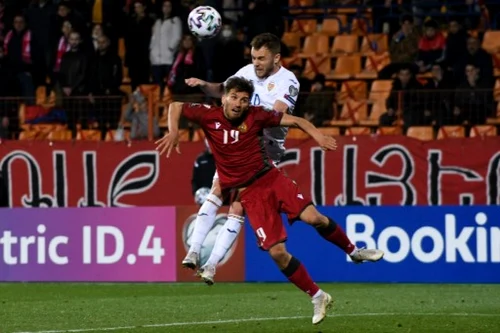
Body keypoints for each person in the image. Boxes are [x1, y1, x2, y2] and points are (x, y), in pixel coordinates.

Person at [156, 77, 384, 325]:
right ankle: (318, 296)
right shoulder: (208, 116)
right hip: (250, 195)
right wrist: (174, 132)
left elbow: (296, 120)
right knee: (277, 253)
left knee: (314, 217)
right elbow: (175, 105)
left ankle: (355, 251)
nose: (239, 104)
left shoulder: (256, 115)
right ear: (223, 98)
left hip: (271, 179)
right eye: (234, 97)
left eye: (244, 99)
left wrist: (318, 137)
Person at [180, 33, 301, 281]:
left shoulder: (288, 81)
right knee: (217, 188)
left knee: (238, 205)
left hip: (265, 151)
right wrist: (204, 84)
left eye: (261, 58)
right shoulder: (246, 71)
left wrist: (239, 112)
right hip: (238, 143)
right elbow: (225, 91)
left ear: (276, 58)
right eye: (253, 57)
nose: (255, 63)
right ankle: (194, 252)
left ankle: (211, 264)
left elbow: (276, 113)